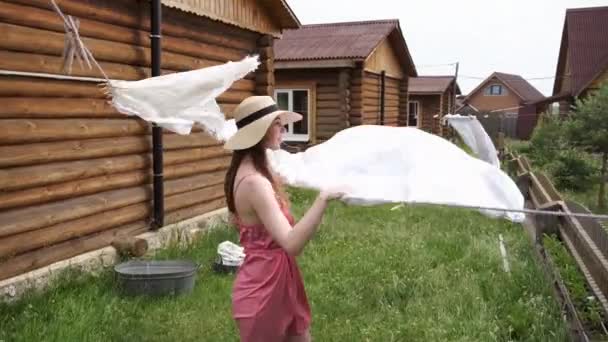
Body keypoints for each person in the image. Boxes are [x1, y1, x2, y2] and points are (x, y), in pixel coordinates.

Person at [223, 95, 345, 342]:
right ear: (261, 131)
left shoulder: (255, 169)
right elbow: (291, 243)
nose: (284, 129)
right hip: (263, 293)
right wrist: (322, 200)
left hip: (278, 282)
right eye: (278, 123)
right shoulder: (254, 182)